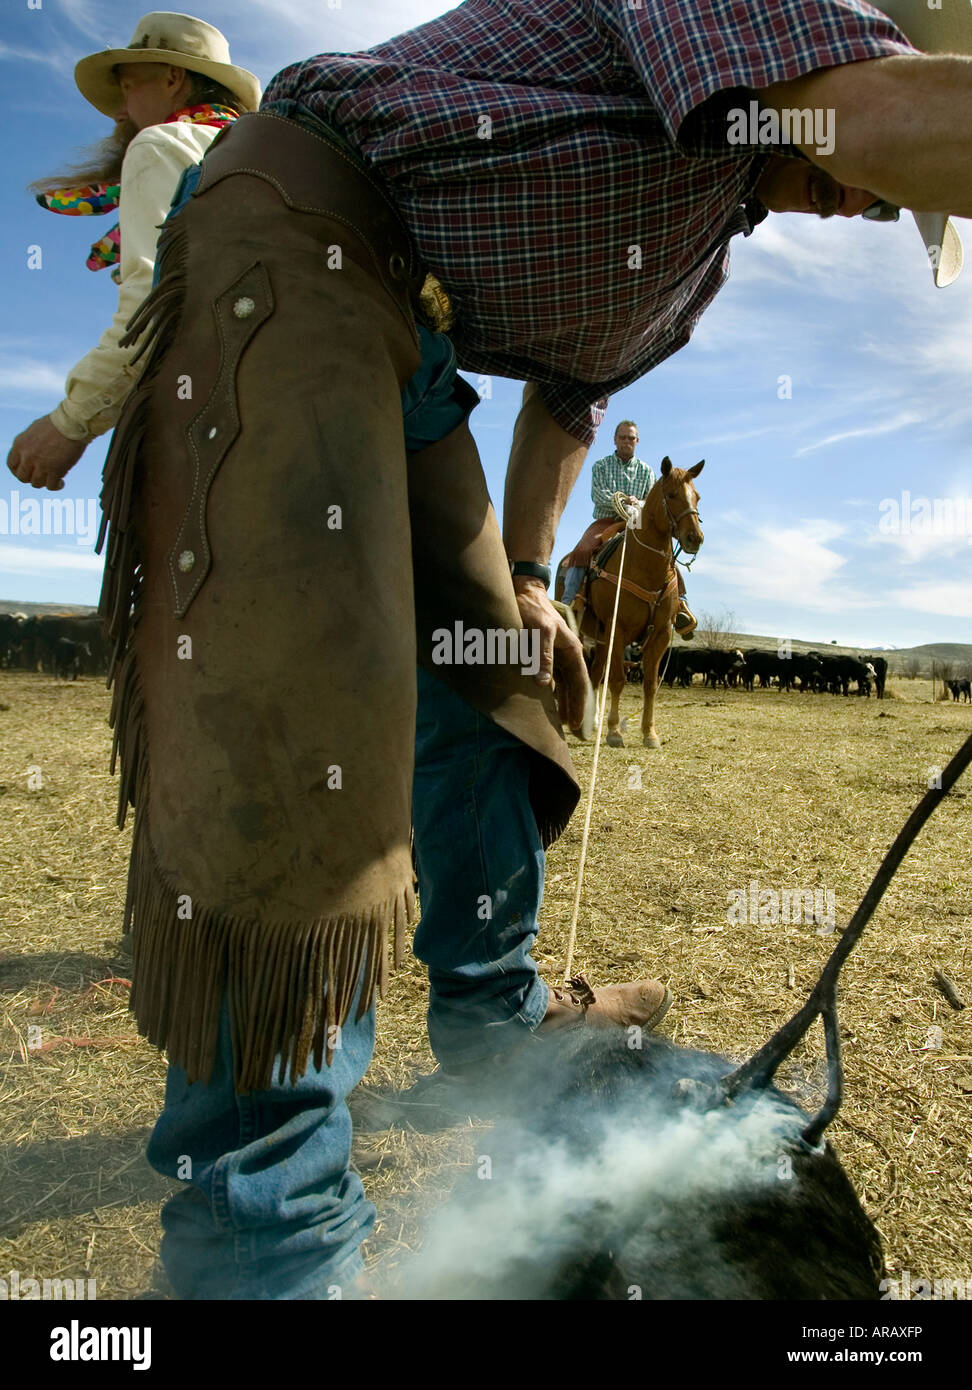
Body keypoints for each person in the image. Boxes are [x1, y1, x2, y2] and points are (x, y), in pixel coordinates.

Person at [9, 0, 972, 1302]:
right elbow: (873, 120)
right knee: (290, 773)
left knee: (493, 680)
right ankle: (266, 1245)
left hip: (416, 356)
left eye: (888, 216)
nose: (870, 212)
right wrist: (896, 126)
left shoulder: (706, 237)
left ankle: (497, 1026)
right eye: (886, 198)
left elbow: (571, 396)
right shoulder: (776, 30)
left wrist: (526, 572)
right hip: (292, 258)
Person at [5, 13, 260, 490]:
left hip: (226, 417)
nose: (120, 112)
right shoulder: (263, 151)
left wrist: (69, 422)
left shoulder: (163, 144)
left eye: (127, 88)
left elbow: (157, 300)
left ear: (173, 77)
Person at [560, 419, 698, 636]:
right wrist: (622, 501)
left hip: (638, 523)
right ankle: (569, 604)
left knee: (665, 556)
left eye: (631, 438)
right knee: (582, 551)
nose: (627, 441)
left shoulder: (647, 471)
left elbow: (653, 502)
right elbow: (598, 495)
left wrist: (640, 503)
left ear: (637, 441)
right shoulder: (601, 466)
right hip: (606, 520)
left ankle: (681, 606)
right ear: (615, 440)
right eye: (622, 437)